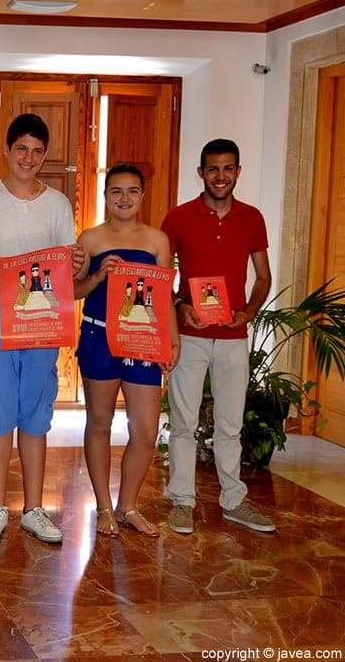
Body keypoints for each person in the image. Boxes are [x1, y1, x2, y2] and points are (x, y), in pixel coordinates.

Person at [0, 113, 84, 544]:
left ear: (44, 155)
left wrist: (78, 264)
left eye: (36, 151)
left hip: (42, 330)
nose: (28, 158)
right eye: (21, 149)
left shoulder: (58, 205)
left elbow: (66, 264)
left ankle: (32, 508)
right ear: (7, 151)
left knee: (35, 417)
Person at [162, 139, 276, 534]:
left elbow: (263, 277)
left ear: (238, 172)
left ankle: (234, 501)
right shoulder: (177, 218)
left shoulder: (252, 218)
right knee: (183, 422)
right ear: (201, 173)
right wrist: (179, 306)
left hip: (233, 336)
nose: (221, 176)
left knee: (229, 425)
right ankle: (182, 502)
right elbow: (164, 277)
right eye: (213, 169)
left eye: (228, 169)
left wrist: (248, 312)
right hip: (190, 335)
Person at [73, 163, 179, 538]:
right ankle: (103, 507)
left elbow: (164, 296)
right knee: (100, 423)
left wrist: (172, 338)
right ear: (104, 196)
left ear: (142, 196)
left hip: (143, 340)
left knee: (146, 430)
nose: (124, 198)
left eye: (132, 191)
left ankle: (127, 505)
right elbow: (73, 291)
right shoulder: (89, 239)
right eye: (116, 191)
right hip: (99, 336)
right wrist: (99, 276)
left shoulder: (157, 241)